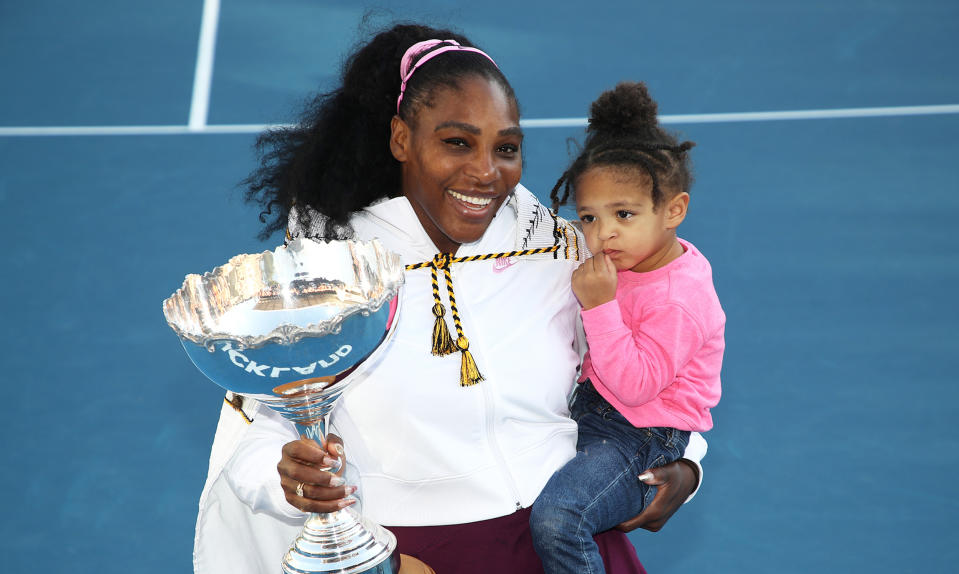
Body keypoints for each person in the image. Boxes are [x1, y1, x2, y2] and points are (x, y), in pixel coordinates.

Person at [194, 24, 708, 574]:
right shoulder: (329, 275)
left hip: (564, 538)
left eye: (505, 148)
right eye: (457, 142)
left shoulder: (564, 252)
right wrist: (288, 478)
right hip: (418, 557)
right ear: (401, 139)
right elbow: (259, 429)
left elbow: (659, 356)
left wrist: (687, 463)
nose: (486, 172)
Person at [527, 82, 725, 573]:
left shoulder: (681, 299)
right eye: (589, 216)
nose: (602, 233)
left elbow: (637, 387)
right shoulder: (627, 256)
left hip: (640, 434)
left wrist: (599, 307)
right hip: (594, 411)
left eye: (624, 214)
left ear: (674, 210)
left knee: (559, 518)